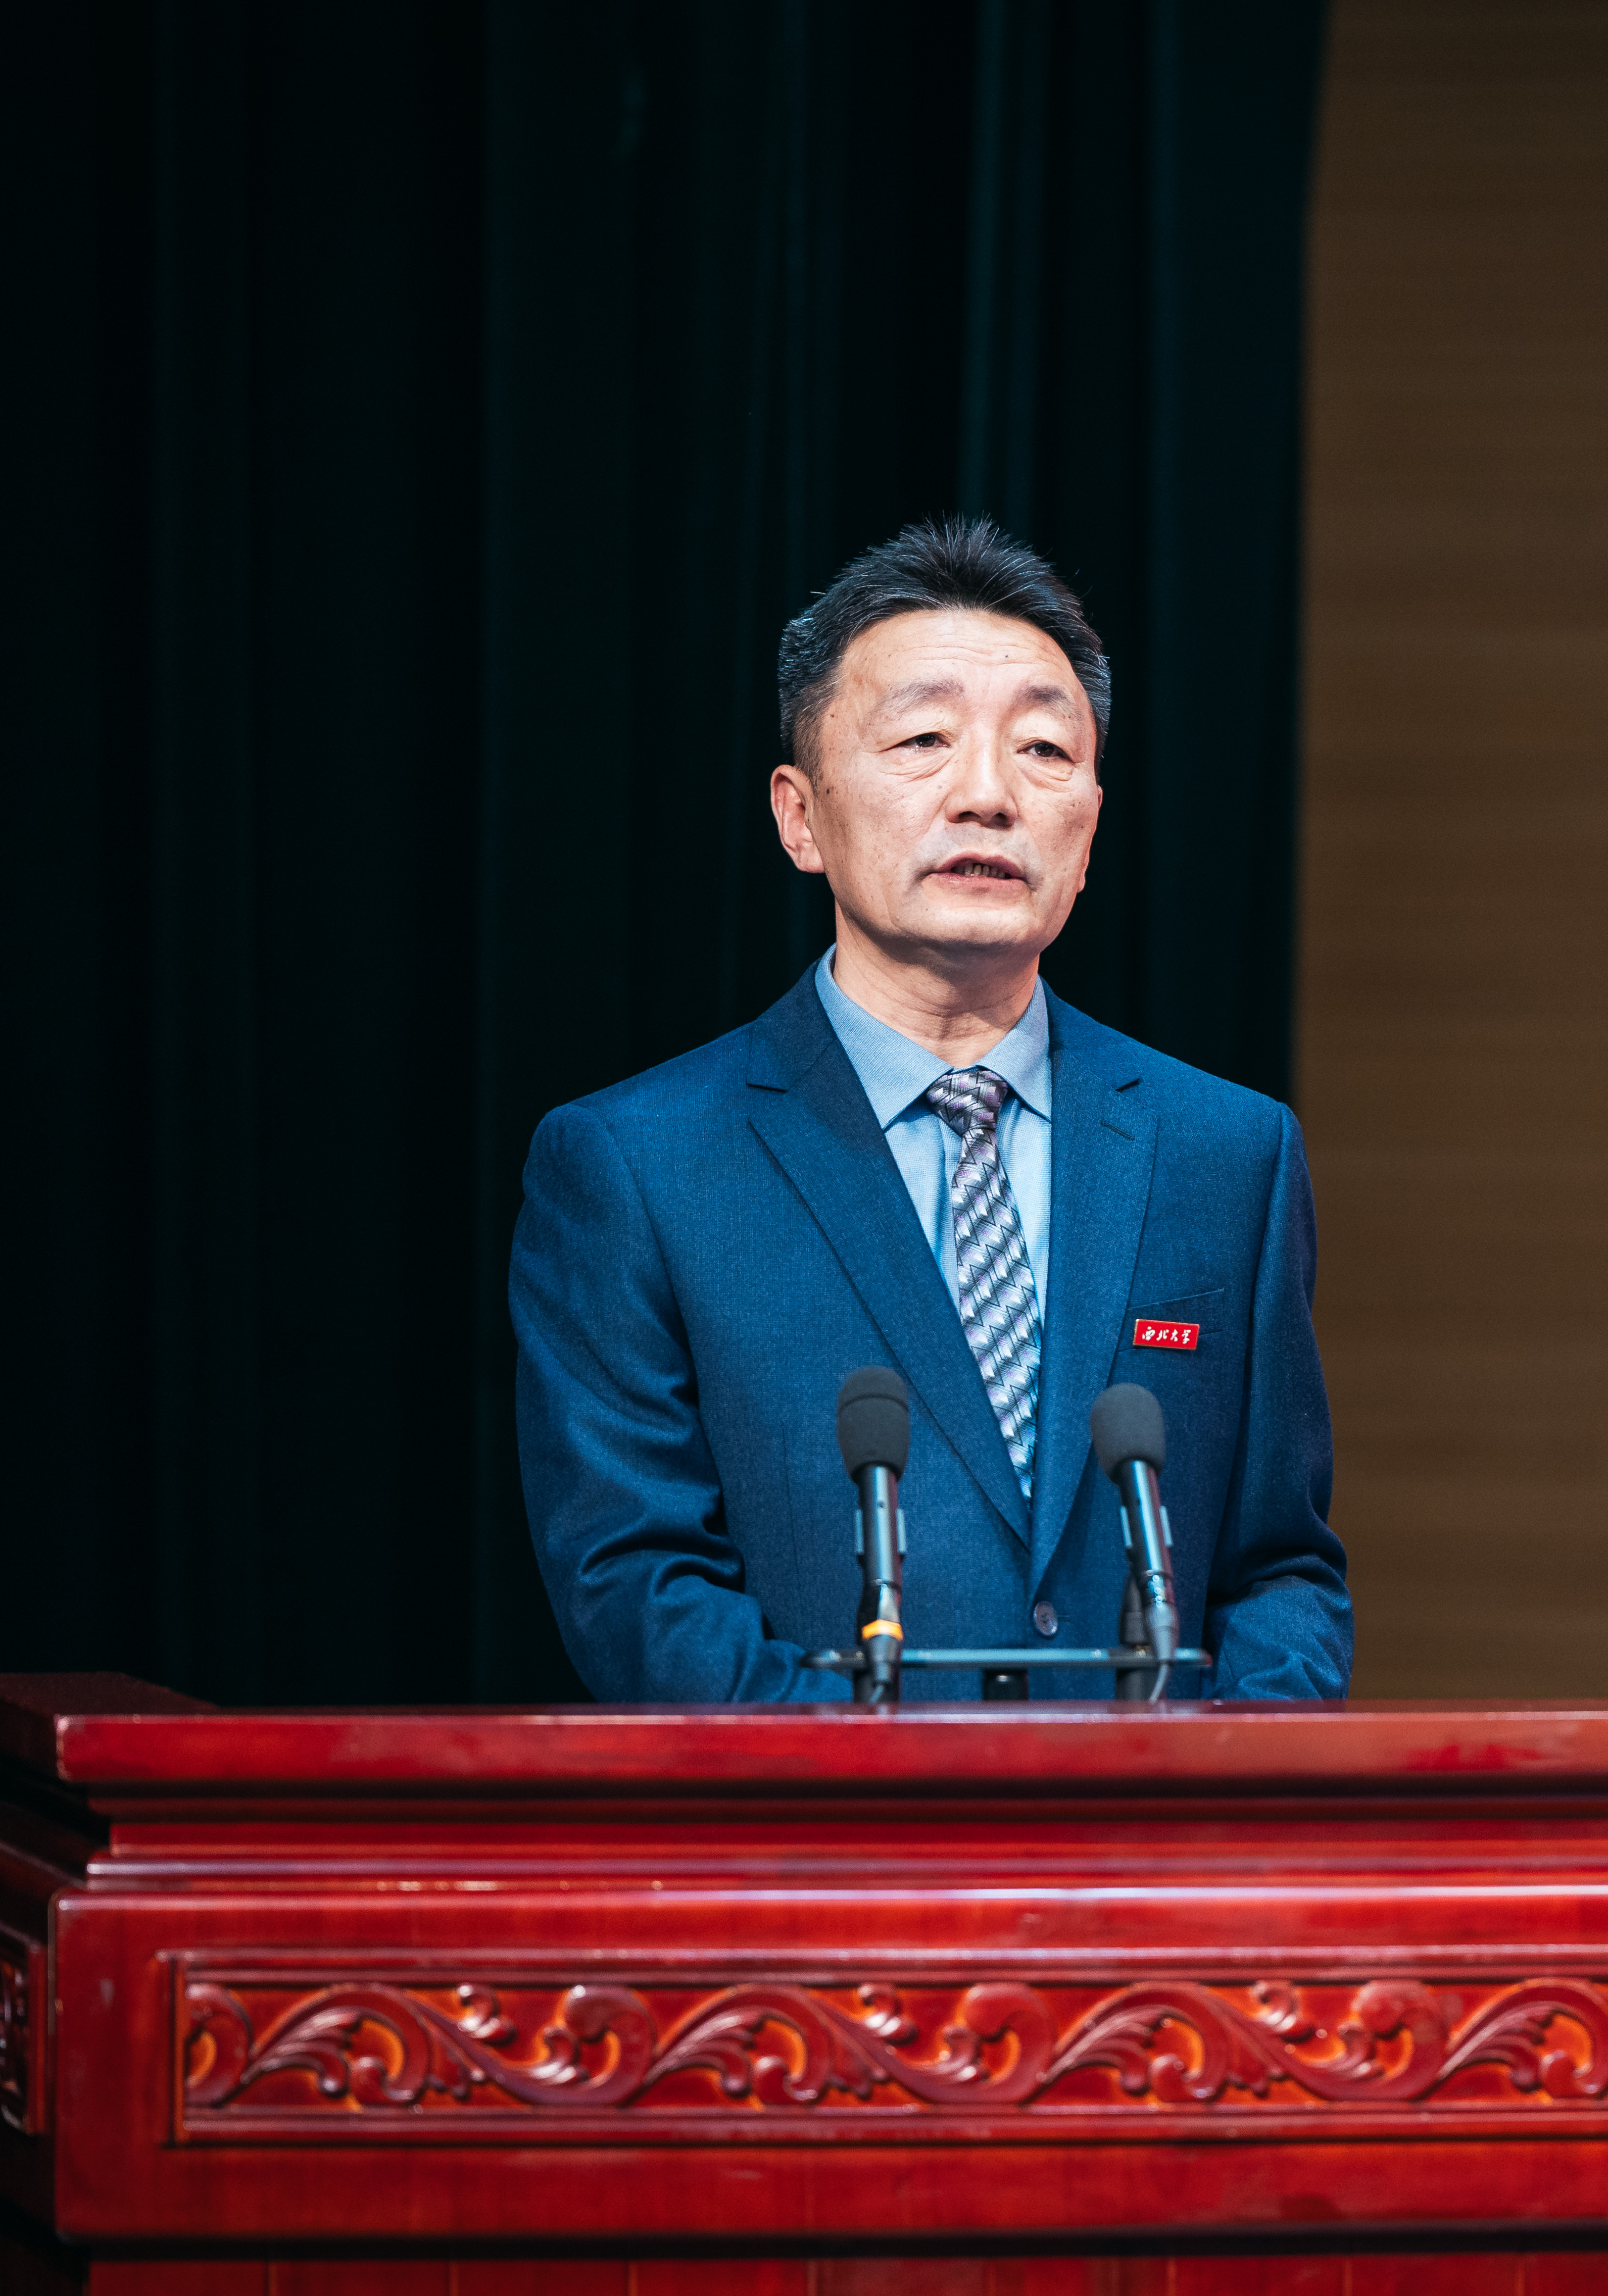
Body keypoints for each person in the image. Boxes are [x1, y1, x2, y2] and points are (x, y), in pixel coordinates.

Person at [509, 517, 1352, 1702]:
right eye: (923, 739)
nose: (988, 795)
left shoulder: (1226, 1152)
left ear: (1090, 826)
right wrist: (889, 1785)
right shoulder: (635, 1165)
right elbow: (635, 1582)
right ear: (800, 816)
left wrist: (1200, 1782)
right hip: (817, 1819)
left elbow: (1279, 1571)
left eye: (1043, 749)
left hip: (1151, 1823)